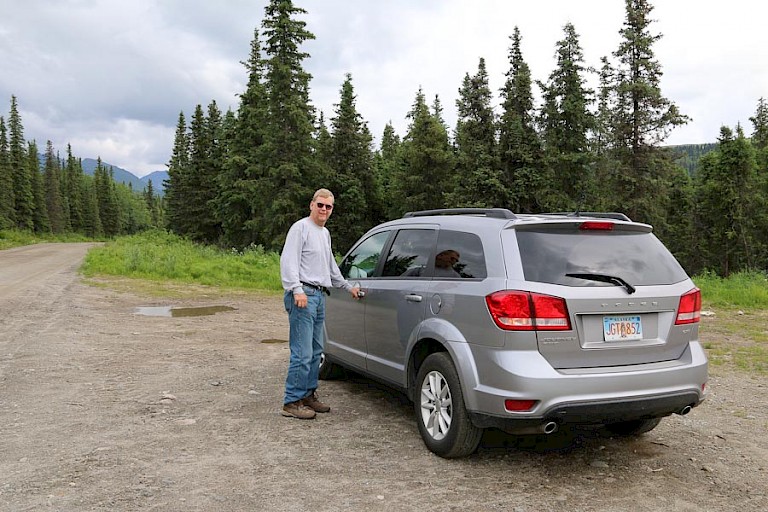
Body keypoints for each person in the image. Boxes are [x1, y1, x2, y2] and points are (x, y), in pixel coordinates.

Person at [279, 188, 360, 419]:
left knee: (316, 352)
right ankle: (291, 402)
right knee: (302, 352)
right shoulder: (301, 228)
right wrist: (296, 289)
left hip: (319, 296)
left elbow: (330, 267)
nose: (324, 209)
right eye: (320, 205)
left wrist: (347, 287)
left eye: (329, 206)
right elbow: (288, 261)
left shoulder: (324, 234)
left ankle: (308, 396)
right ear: (312, 205)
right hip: (303, 295)